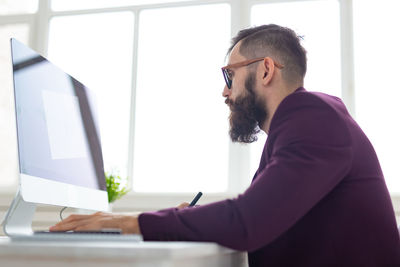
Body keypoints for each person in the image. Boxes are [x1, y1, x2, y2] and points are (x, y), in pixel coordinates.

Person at [50, 24, 400, 266]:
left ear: (265, 70)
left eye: (229, 75)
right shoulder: (302, 122)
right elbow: (260, 213)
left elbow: (248, 220)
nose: (224, 91)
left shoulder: (312, 118)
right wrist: (194, 220)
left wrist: (126, 223)